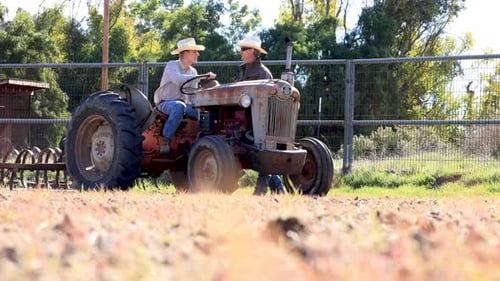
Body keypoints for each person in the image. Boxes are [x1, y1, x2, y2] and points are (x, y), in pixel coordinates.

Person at [237, 35, 285, 195]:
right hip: (243, 118)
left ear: (253, 52)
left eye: (244, 49)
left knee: (261, 149)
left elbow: (262, 104)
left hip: (256, 121)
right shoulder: (243, 70)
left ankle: (261, 189)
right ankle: (278, 188)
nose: (240, 52)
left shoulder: (263, 74)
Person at [154, 38, 216, 154]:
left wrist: (202, 104)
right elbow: (178, 80)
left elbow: (193, 94)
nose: (197, 54)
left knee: (205, 113)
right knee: (179, 106)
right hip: (165, 103)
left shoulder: (193, 71)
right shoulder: (171, 65)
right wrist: (203, 76)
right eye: (194, 51)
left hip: (184, 104)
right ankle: (166, 140)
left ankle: (204, 143)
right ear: (185, 53)